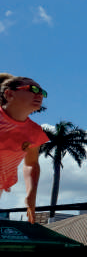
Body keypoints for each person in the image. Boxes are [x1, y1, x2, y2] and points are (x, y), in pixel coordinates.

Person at [0, 74, 48, 224]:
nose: (40, 94)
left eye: (42, 92)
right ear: (9, 94)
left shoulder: (34, 131)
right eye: (32, 89)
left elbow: (31, 164)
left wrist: (31, 195)